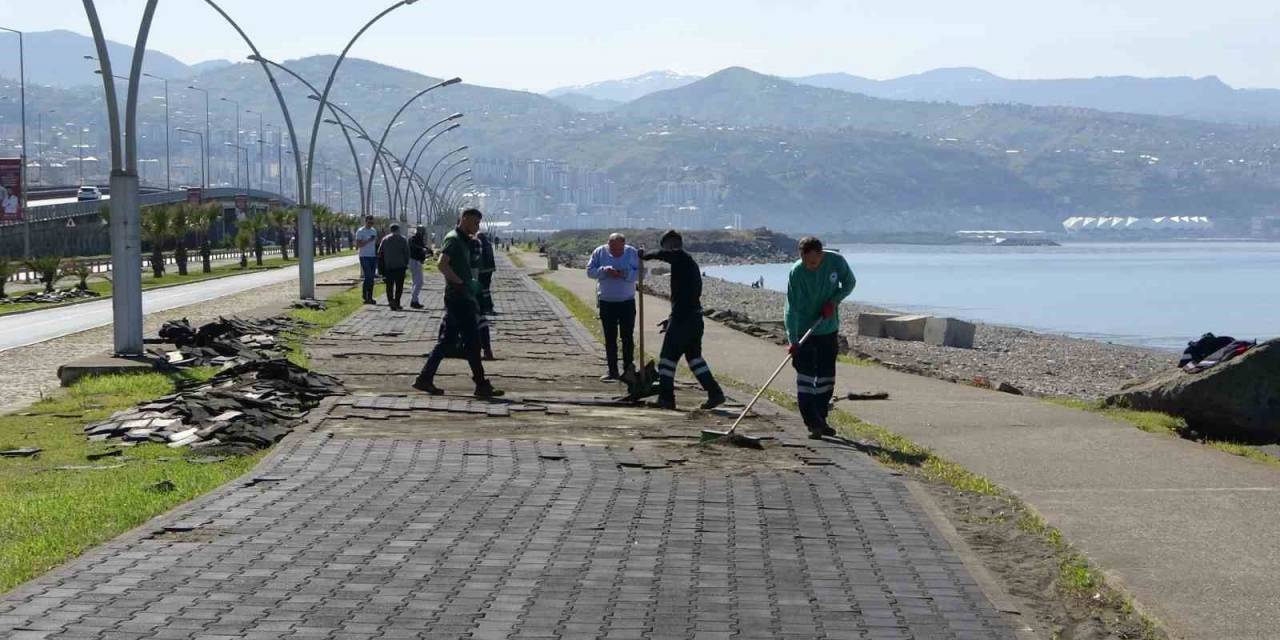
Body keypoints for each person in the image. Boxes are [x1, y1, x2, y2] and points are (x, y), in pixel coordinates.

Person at [413, 208, 503, 398]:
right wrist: (460, 282)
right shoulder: (453, 239)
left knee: (448, 342)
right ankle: (481, 385)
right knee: (472, 342)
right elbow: (441, 264)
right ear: (465, 219)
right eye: (475, 223)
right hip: (458, 298)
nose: (477, 227)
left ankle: (425, 378)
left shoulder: (463, 240)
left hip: (463, 296)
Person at [640, 229, 725, 411]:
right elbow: (685, 298)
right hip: (694, 318)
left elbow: (665, 255)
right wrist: (670, 318)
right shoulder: (688, 264)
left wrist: (645, 256)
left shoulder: (681, 258)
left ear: (671, 245)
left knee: (666, 361)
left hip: (683, 320)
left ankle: (666, 398)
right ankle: (715, 393)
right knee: (694, 359)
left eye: (666, 247)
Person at [784, 236, 857, 439]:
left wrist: (833, 301)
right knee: (806, 378)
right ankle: (812, 422)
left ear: (821, 254)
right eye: (806, 261)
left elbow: (850, 283)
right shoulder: (797, 272)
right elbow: (791, 309)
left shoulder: (836, 262)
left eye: (814, 262)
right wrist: (793, 339)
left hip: (828, 328)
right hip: (804, 332)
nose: (810, 266)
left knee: (826, 378)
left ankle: (821, 418)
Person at [586, 232, 640, 381]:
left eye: (618, 250)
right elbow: (589, 272)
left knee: (627, 336)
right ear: (608, 245)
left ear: (624, 245)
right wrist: (604, 271)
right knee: (610, 338)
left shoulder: (632, 253)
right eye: (613, 250)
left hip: (627, 301)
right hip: (606, 301)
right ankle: (612, 370)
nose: (616, 253)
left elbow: (641, 273)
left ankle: (629, 368)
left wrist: (624, 274)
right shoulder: (599, 252)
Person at [471, 232, 496, 360]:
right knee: (480, 318)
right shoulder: (487, 244)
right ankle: (486, 349)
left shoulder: (474, 244)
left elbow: (475, 264)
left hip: (471, 283)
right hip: (487, 271)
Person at [378, 223, 410, 310]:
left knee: (389, 286)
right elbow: (407, 253)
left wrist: (381, 267)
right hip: (400, 266)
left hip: (388, 266)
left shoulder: (385, 239)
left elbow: (380, 253)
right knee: (399, 286)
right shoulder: (403, 239)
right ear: (398, 230)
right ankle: (397, 302)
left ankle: (391, 301)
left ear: (390, 230)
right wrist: (406, 263)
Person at [354, 215, 380, 304]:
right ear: (366, 222)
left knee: (371, 277)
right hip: (364, 256)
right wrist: (369, 240)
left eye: (372, 223)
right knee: (368, 276)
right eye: (369, 223)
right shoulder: (360, 231)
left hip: (372, 256)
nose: (371, 224)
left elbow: (376, 243)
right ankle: (365, 295)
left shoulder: (374, 231)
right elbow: (358, 246)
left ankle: (370, 297)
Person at [408, 225, 432, 309]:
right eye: (423, 231)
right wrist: (423, 249)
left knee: (416, 282)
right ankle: (414, 300)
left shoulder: (419, 238)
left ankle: (414, 300)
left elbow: (421, 247)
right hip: (414, 261)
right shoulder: (414, 238)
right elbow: (415, 246)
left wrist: (427, 249)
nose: (424, 233)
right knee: (419, 282)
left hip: (416, 261)